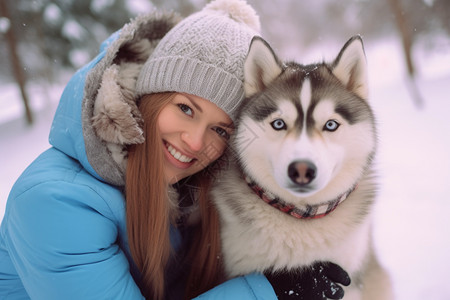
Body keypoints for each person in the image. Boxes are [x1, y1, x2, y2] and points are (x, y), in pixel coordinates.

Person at [0, 0, 350, 299]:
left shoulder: (193, 190)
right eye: (185, 108)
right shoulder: (55, 203)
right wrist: (266, 291)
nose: (196, 143)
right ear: (149, 98)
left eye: (220, 129)